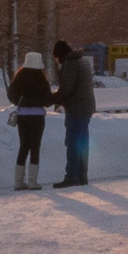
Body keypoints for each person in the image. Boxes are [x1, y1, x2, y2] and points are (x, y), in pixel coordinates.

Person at [52, 39, 97, 187]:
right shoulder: (82, 61)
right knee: (82, 143)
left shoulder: (70, 64)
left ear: (61, 55)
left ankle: (72, 176)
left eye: (57, 58)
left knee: (72, 142)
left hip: (76, 108)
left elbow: (66, 89)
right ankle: (82, 176)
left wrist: (52, 98)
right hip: (87, 107)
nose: (57, 61)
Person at [6, 59, 52, 189]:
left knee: (24, 146)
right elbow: (48, 100)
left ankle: (18, 182)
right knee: (35, 147)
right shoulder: (41, 80)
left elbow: (11, 94)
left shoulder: (19, 78)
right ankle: (32, 181)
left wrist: (18, 102)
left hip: (22, 116)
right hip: (37, 116)